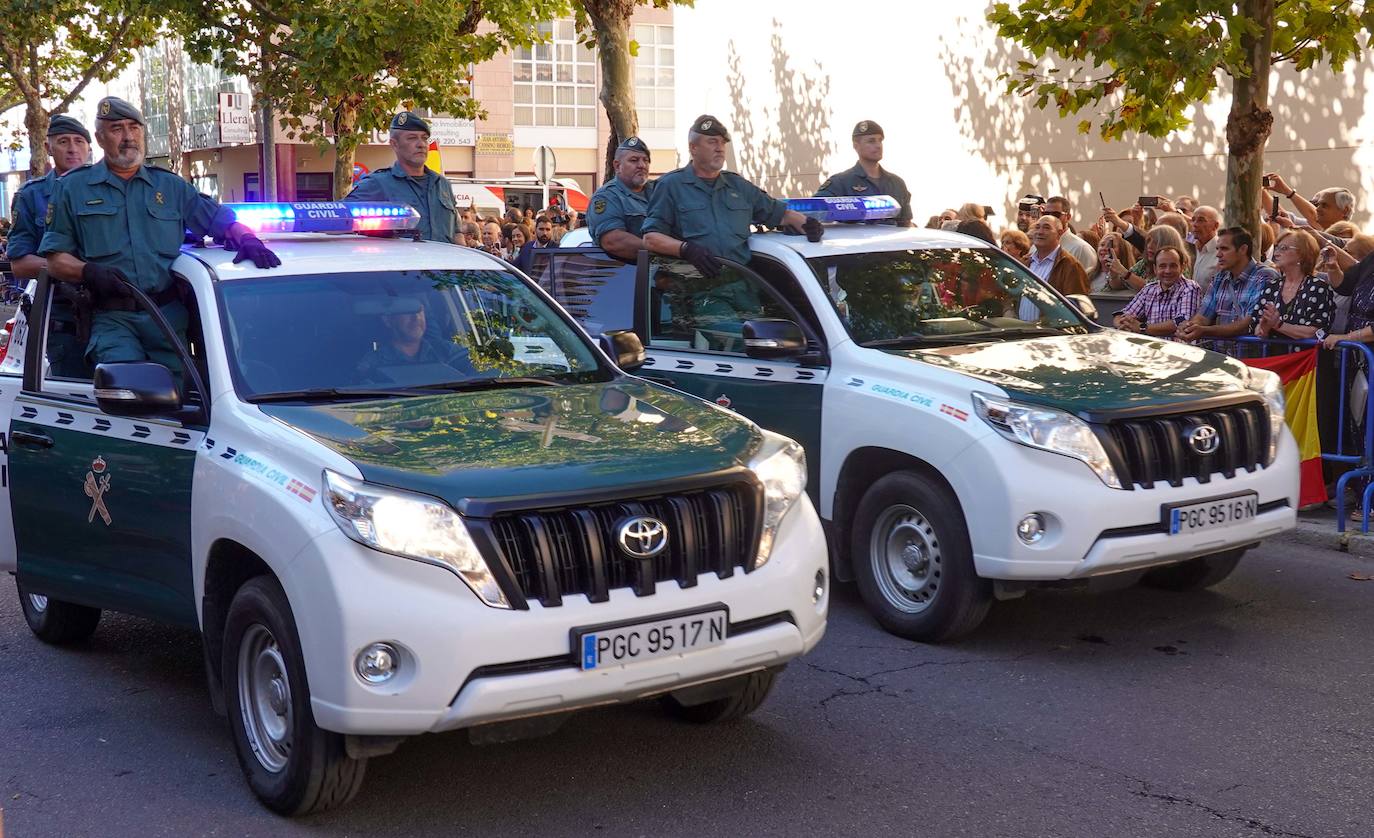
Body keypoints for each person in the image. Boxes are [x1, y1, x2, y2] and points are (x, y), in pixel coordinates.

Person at [40, 97, 280, 369]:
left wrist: (247, 238)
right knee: (126, 388)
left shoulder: (171, 187)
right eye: (117, 129)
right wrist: (88, 272)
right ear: (100, 138)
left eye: (134, 127)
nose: (128, 137)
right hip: (112, 317)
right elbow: (55, 260)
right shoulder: (72, 188)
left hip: (168, 318)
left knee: (178, 398)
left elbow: (221, 220)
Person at [643, 114, 819, 277]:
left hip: (742, 285)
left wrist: (808, 224)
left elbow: (780, 214)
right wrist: (686, 249)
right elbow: (651, 239)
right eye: (712, 142)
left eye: (722, 143)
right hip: (697, 290)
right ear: (693, 148)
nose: (719, 149)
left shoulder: (738, 186)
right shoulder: (671, 185)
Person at [8, 114, 92, 377]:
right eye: (63, 141)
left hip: (115, 315)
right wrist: (75, 269)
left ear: (90, 147)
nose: (72, 148)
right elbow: (19, 264)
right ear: (48, 148)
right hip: (65, 321)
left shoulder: (109, 190)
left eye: (79, 141)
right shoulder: (31, 195)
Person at [344, 112, 457, 244]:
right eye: (412, 138)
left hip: (447, 263)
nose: (421, 144)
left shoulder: (442, 184)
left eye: (424, 138)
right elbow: (336, 219)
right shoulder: (377, 184)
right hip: (402, 263)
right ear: (394, 144)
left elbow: (457, 232)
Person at [1177, 227, 1277, 351]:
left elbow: (1246, 324)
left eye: (1224, 249)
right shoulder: (1220, 278)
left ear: (1243, 249)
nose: (1218, 254)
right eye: (1217, 249)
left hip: (1253, 361)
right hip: (1223, 360)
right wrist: (1189, 327)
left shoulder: (1264, 276)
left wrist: (1203, 331)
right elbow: (1203, 316)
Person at [814, 120, 913, 226]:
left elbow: (906, 224)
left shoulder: (897, 183)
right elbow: (813, 211)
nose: (878, 145)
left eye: (880, 140)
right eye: (871, 141)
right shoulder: (840, 183)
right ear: (856, 146)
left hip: (891, 242)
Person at [1250, 229, 1334, 343]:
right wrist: (1264, 328)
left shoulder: (1319, 288)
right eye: (1277, 248)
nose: (1276, 253)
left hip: (1304, 359)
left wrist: (1278, 325)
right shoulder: (1272, 286)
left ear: (1302, 254)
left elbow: (1317, 332)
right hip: (1273, 358)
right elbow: (1257, 329)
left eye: (1283, 248)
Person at [357, 300, 475, 380]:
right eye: (407, 312)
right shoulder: (373, 363)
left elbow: (478, 371)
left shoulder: (448, 351)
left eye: (419, 311)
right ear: (388, 320)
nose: (416, 318)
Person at [587, 136, 655, 261]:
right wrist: (663, 249)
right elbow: (613, 241)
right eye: (634, 160)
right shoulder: (606, 197)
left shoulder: (658, 191)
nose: (642, 165)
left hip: (666, 273)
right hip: (623, 275)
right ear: (617, 166)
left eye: (646, 160)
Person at [1112, 246, 1200, 340]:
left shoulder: (1190, 288)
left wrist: (1142, 327)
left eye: (1173, 266)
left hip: (1180, 351)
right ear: (1155, 269)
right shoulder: (1149, 289)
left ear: (1182, 267)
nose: (1167, 271)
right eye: (1162, 266)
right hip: (1151, 350)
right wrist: (1123, 324)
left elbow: (1181, 323)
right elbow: (1122, 314)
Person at [1264, 173, 1354, 230]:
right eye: (1316, 205)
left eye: (1325, 205)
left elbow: (1313, 217)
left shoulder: (1347, 239)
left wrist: (1288, 192)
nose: (1317, 209)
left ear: (1344, 211)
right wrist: (1261, 191)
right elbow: (1283, 216)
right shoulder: (1310, 226)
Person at [1027, 214, 1089, 296]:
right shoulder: (1026, 261)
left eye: (1046, 228)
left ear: (1059, 233)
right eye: (1037, 227)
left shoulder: (1070, 265)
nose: (1040, 232)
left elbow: (1076, 303)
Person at [1044, 195, 1098, 274]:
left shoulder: (1081, 248)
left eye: (1055, 214)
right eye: (1046, 214)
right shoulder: (1036, 247)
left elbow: (1086, 283)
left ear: (1068, 217)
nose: (1050, 218)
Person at [1189, 206, 1222, 291]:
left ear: (1215, 226)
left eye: (1201, 220)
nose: (1195, 224)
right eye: (1193, 220)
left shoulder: (1222, 253)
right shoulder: (1189, 248)